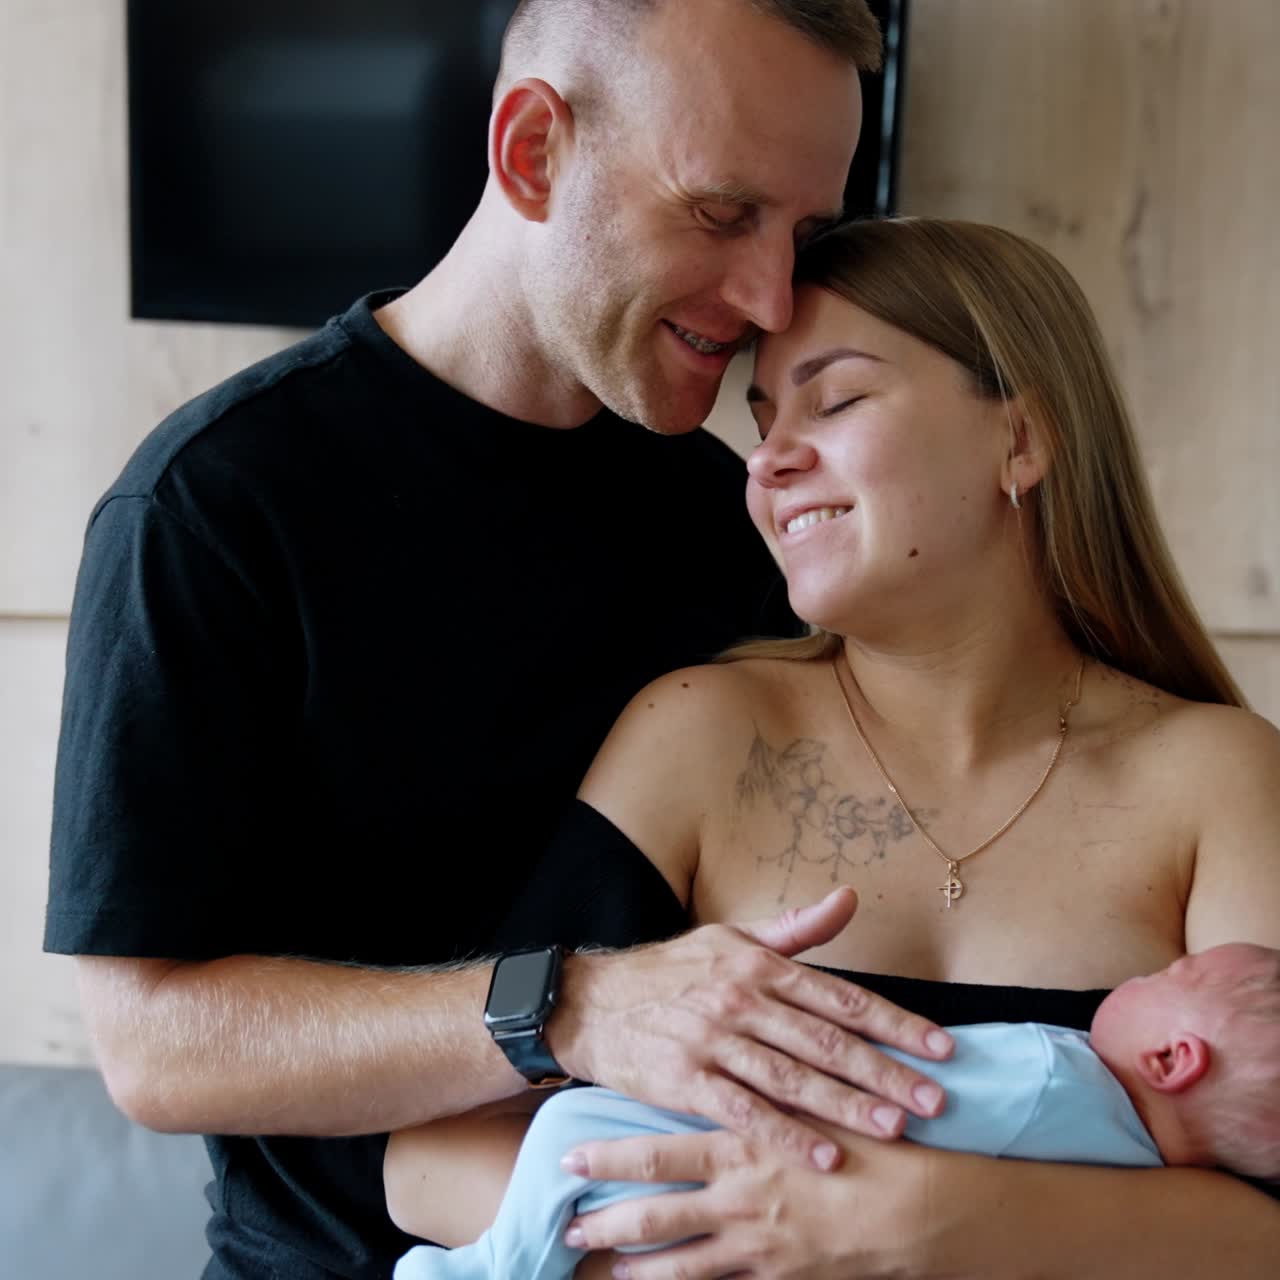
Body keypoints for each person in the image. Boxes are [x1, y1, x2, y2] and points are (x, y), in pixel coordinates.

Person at [46, 5, 965, 1280]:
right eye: (719, 212)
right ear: (532, 151)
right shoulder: (216, 505)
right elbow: (155, 1044)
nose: (768, 297)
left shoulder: (736, 522)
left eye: (800, 236)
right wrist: (570, 1005)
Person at [380, 218, 1280, 1279]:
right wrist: (708, 1249)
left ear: (1020, 441)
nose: (767, 459)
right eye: (762, 417)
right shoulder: (700, 735)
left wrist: (935, 1223)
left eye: (836, 398)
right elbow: (430, 1156)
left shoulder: (1216, 778)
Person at [388, 941, 1280, 1280]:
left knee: (570, 1134)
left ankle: (483, 1272)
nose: (1151, 970)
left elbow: (906, 1078)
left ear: (1173, 1059)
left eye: (1172, 975)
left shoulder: (1055, 1071)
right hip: (759, 1220)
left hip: (753, 1158)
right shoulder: (1137, 1173)